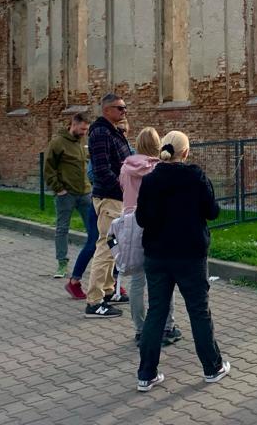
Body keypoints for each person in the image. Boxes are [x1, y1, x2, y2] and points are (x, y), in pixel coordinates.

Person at [136, 131, 229, 391]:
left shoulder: (150, 180)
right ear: (186, 153)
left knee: (156, 311)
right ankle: (212, 367)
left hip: (157, 254)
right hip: (190, 254)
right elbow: (212, 211)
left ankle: (146, 374)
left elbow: (142, 218)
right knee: (199, 311)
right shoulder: (195, 176)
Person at [120, 127, 181, 347]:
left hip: (131, 223)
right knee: (164, 278)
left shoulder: (126, 168)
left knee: (137, 280)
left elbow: (122, 191)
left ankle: (140, 328)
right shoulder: (158, 169)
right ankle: (167, 326)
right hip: (155, 223)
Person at [84, 93, 132, 318]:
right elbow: (102, 170)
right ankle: (94, 301)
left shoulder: (113, 131)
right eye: (120, 108)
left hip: (117, 197)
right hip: (110, 198)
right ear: (107, 110)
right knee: (105, 246)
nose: (124, 112)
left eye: (124, 108)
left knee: (114, 245)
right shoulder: (101, 133)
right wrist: (122, 187)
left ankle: (109, 290)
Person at [45, 113, 93, 280]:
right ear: (73, 124)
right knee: (62, 229)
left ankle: (95, 261)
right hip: (66, 194)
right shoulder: (57, 142)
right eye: (82, 129)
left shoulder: (82, 141)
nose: (84, 132)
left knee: (94, 230)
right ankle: (62, 262)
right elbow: (48, 168)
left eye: (86, 130)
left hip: (85, 193)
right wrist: (59, 189)